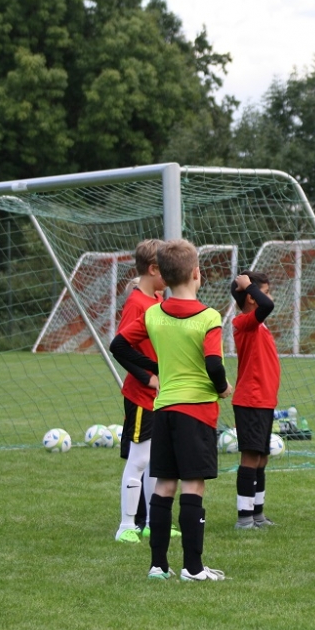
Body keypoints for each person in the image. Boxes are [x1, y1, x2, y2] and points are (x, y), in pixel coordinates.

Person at [110, 239, 233, 581]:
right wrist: (222, 388)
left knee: (164, 484)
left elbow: (118, 344)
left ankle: (158, 566)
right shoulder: (209, 317)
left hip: (163, 410)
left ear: (163, 273)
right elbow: (213, 364)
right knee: (193, 485)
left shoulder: (153, 314)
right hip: (196, 412)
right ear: (197, 273)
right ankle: (193, 568)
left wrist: (154, 369)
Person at [113, 240, 167, 543]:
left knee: (154, 460)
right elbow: (121, 347)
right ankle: (126, 526)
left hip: (159, 397)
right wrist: (147, 376)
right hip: (140, 396)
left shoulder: (157, 299)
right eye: (166, 270)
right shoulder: (136, 303)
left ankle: (149, 522)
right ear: (153, 269)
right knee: (138, 460)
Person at [230, 270, 280, 530]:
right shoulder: (244, 322)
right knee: (250, 458)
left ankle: (258, 514)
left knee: (261, 458)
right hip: (250, 400)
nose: (269, 296)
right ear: (251, 297)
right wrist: (249, 285)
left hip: (264, 401)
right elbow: (267, 304)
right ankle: (244, 517)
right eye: (264, 290)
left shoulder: (257, 324)